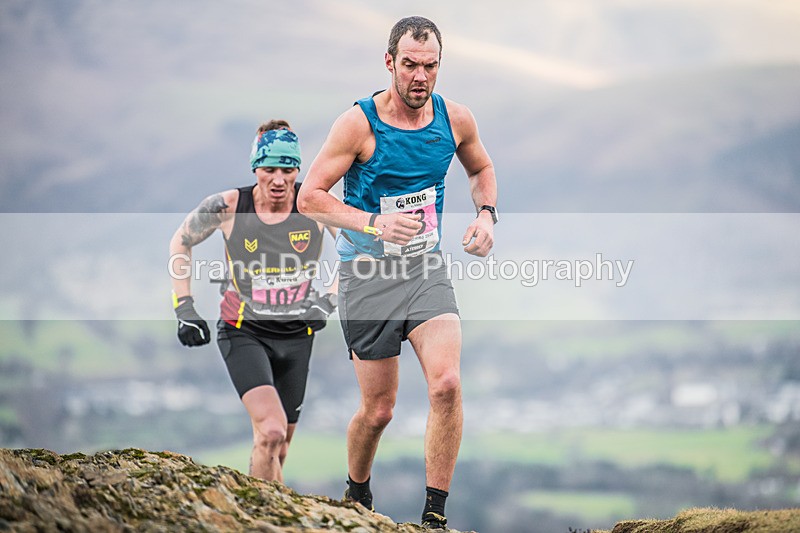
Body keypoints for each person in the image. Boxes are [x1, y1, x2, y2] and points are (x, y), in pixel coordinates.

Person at [297, 16, 498, 530]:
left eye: (430, 66)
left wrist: (486, 214)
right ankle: (357, 490)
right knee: (379, 409)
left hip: (425, 268)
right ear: (389, 62)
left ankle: (434, 516)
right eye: (409, 65)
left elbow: (480, 168)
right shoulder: (358, 124)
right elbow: (310, 197)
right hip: (365, 274)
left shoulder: (454, 120)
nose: (420, 77)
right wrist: (373, 223)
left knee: (447, 383)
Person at [168, 120, 338, 482]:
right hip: (244, 332)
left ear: (297, 170)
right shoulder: (228, 206)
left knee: (282, 445)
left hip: (298, 336)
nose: (278, 179)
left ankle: (261, 510)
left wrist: (329, 299)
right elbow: (180, 241)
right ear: (255, 168)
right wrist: (184, 308)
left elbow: (358, 249)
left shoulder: (316, 204)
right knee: (271, 432)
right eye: (269, 169)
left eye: (288, 169)